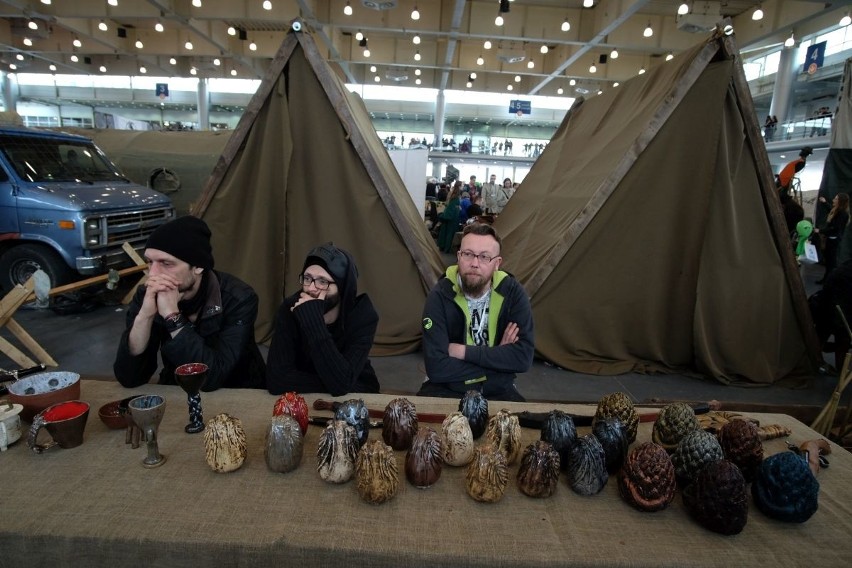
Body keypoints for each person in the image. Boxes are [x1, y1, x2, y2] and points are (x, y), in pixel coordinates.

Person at [113, 216, 265, 390]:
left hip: (238, 390)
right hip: (179, 386)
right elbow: (129, 377)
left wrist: (172, 317)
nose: (153, 274)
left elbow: (213, 378)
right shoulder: (148, 295)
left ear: (199, 266)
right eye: (150, 262)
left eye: (166, 263)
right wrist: (145, 316)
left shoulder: (238, 298)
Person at [419, 223, 534, 401]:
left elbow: (522, 358)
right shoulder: (440, 296)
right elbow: (436, 368)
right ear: (458, 257)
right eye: (468, 254)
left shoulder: (512, 294)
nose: (474, 263)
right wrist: (499, 359)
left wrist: (462, 351)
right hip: (447, 388)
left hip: (497, 390)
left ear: (497, 263)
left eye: (484, 257)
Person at [266, 243, 379, 396]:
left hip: (356, 396)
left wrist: (314, 322)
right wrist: (336, 381)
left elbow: (343, 385)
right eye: (307, 278)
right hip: (346, 388)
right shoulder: (290, 308)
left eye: (323, 281)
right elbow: (276, 380)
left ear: (342, 286)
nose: (311, 288)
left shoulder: (362, 315)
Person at [814, 193, 850, 284]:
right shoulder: (837, 211)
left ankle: (829, 281)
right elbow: (831, 210)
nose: (834, 200)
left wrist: (820, 231)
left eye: (836, 199)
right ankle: (827, 280)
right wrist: (825, 202)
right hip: (831, 239)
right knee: (829, 261)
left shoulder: (843, 214)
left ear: (840, 201)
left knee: (831, 262)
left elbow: (835, 228)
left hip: (834, 240)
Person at [437, 183, 462, 253]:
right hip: (453, 218)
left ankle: (444, 248)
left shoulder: (452, 196)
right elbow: (454, 208)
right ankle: (447, 249)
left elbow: (450, 207)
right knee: (450, 234)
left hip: (448, 217)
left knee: (445, 233)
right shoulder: (456, 198)